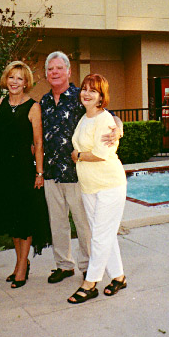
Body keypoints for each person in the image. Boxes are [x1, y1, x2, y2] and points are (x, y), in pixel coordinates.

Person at [40, 51, 122, 284]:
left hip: (77, 174)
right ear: (47, 74)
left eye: (59, 68)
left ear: (68, 71)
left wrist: (119, 128)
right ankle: (64, 265)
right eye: (50, 69)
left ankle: (88, 266)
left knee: (84, 225)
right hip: (51, 172)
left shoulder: (82, 95)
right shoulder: (44, 101)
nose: (54, 72)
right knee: (58, 223)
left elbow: (111, 117)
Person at [68, 73, 127, 304]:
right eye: (84, 88)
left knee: (100, 237)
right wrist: (79, 156)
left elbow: (102, 154)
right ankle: (119, 276)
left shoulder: (105, 119)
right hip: (89, 186)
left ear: (102, 96)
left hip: (109, 185)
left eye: (93, 90)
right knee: (105, 235)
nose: (86, 93)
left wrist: (78, 155)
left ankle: (90, 283)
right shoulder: (84, 118)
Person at [0, 61, 51, 288]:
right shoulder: (1, 104)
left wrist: (39, 172)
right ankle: (21, 262)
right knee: (12, 218)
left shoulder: (33, 107)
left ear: (26, 82)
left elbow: (38, 143)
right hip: (5, 171)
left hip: (25, 171)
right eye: (11, 77)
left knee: (24, 219)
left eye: (20, 78)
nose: (15, 82)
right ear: (6, 80)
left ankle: (20, 269)